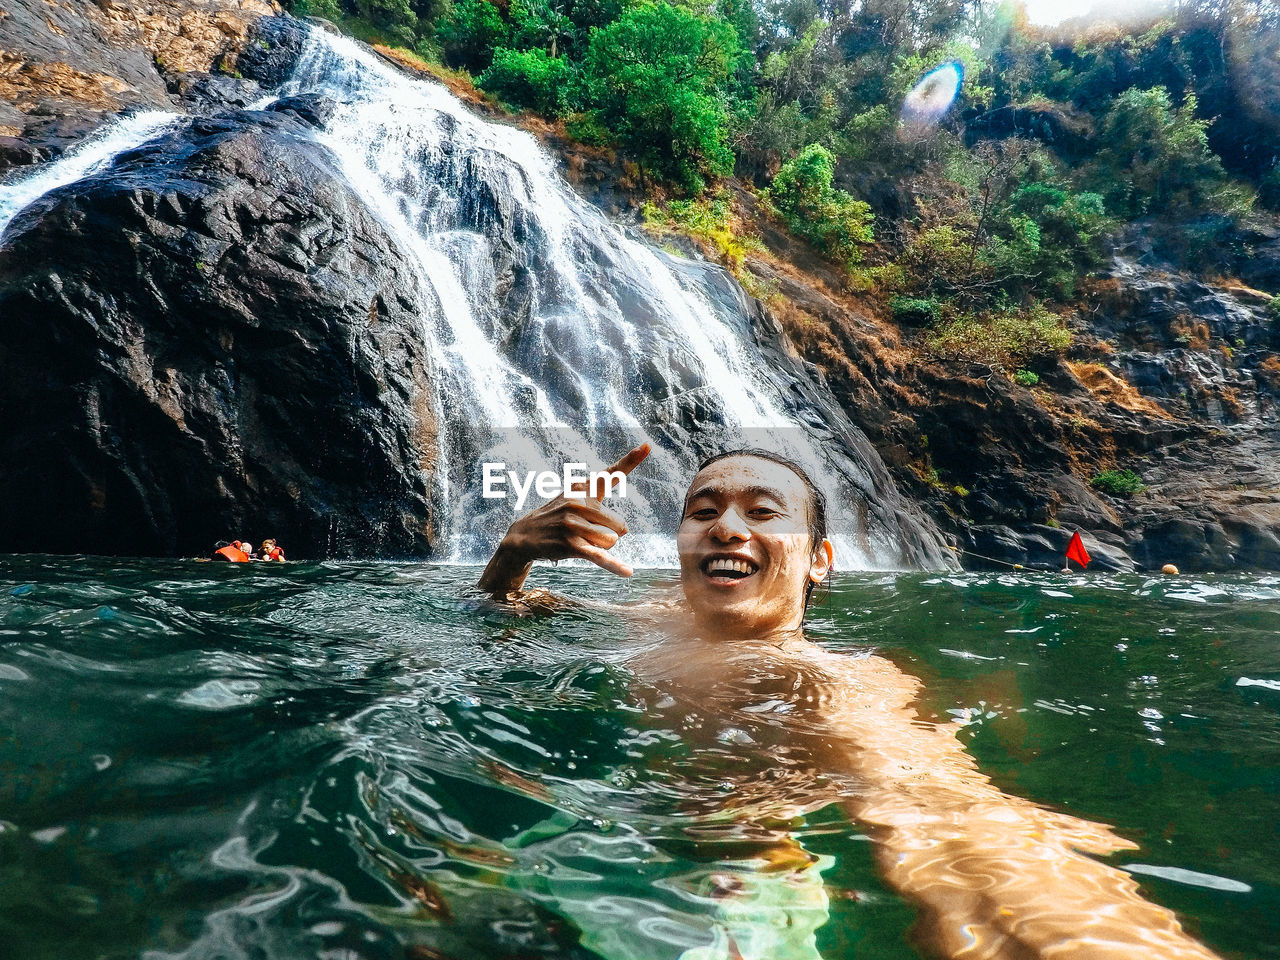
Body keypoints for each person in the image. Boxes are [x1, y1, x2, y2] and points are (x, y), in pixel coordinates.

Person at [480, 444, 1221, 960]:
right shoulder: (650, 616)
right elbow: (505, 614)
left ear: (821, 564)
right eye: (703, 510)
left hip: (739, 867)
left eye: (764, 513)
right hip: (605, 823)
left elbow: (951, 826)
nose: (727, 526)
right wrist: (509, 556)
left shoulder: (828, 681)